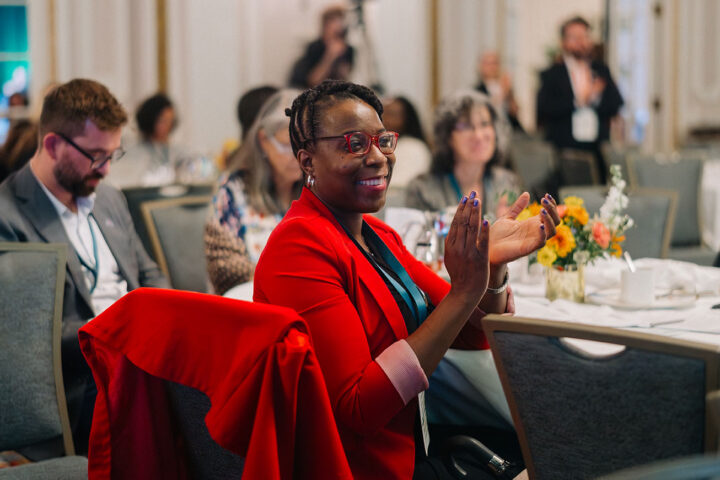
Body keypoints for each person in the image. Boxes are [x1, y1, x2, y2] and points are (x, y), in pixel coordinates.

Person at [253, 80, 561, 479]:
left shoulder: (378, 237)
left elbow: (473, 335)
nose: (378, 157)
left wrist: (492, 271)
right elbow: (359, 408)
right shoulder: (298, 247)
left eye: (383, 140)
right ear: (307, 161)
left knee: (547, 453)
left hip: (415, 447)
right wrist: (465, 290)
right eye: (354, 143)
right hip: (362, 466)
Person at [0, 78, 168, 455]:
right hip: (78, 379)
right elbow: (29, 337)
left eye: (113, 155)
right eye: (96, 155)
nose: (106, 170)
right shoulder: (7, 215)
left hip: (141, 352)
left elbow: (149, 275)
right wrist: (119, 333)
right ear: (53, 145)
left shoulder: (107, 199)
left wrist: (170, 320)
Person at [205, 89, 302, 295]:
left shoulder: (317, 189)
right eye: (287, 146)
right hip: (251, 304)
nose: (297, 156)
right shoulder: (233, 190)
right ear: (263, 141)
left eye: (304, 146)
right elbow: (225, 268)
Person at [405, 90, 521, 221]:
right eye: (466, 126)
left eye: (484, 124)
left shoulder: (506, 183)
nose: (478, 135)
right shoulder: (422, 190)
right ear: (447, 136)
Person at [536, 16, 624, 183]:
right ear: (563, 42)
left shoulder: (600, 70)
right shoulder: (553, 73)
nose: (581, 42)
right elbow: (544, 108)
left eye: (585, 36)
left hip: (596, 148)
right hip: (565, 149)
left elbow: (616, 103)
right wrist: (578, 101)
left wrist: (595, 98)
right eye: (575, 37)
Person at [106, 92, 183, 187]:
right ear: (150, 120)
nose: (168, 126)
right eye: (163, 121)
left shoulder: (176, 152)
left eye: (170, 121)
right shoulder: (130, 149)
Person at [289, 5, 354, 88]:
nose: (339, 25)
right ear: (325, 25)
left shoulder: (348, 50)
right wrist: (330, 56)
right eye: (334, 21)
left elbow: (344, 78)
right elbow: (313, 81)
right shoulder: (314, 47)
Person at [381, 96, 432, 188]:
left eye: (390, 114)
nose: (383, 119)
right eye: (381, 113)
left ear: (407, 119)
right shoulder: (384, 145)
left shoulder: (414, 147)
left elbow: (402, 184)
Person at [475, 51, 524, 132]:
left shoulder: (504, 85)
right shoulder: (477, 90)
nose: (492, 67)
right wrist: (503, 94)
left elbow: (515, 111)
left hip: (511, 128)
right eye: (488, 64)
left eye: (495, 63)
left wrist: (509, 93)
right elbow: (485, 112)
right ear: (481, 66)